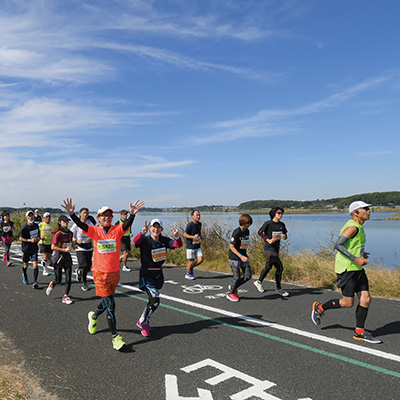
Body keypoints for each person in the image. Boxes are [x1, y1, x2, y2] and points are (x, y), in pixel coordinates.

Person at [61, 197, 144, 351]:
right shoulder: (94, 230)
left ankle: (93, 317)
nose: (106, 217)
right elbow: (80, 224)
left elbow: (126, 224)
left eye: (109, 215)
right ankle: (115, 337)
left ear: (112, 218)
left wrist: (132, 215)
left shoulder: (116, 231)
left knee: (106, 302)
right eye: (103, 215)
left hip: (114, 273)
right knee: (111, 304)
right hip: (100, 273)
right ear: (98, 218)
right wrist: (72, 214)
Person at [311, 201, 382, 344]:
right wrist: (355, 258)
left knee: (366, 299)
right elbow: (337, 245)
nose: (369, 211)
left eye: (369, 208)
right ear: (356, 212)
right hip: (347, 269)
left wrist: (361, 253)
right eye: (366, 209)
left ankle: (359, 332)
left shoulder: (360, 227)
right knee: (347, 303)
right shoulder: (352, 227)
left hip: (357, 269)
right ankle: (319, 308)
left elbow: (352, 245)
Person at [134, 219, 182, 337]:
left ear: (161, 229)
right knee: (155, 302)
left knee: (152, 302)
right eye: (153, 227)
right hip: (147, 274)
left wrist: (177, 236)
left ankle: (143, 320)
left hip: (158, 275)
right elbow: (136, 241)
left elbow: (177, 245)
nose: (155, 229)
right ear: (150, 228)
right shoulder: (145, 240)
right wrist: (142, 232)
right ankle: (144, 324)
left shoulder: (164, 240)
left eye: (158, 227)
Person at [254, 206, 289, 297]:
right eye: (279, 213)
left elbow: (285, 235)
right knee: (279, 267)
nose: (281, 215)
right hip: (269, 248)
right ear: (274, 214)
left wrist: (284, 236)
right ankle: (279, 288)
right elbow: (260, 232)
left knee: (270, 266)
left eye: (282, 213)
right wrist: (267, 239)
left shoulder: (282, 225)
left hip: (276, 248)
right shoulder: (268, 224)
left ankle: (259, 282)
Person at [46, 215, 74, 305]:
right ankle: (53, 283)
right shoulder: (58, 234)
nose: (66, 222)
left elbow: (70, 244)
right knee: (59, 280)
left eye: (67, 221)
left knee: (68, 278)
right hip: (58, 257)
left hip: (67, 257)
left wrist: (74, 246)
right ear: (60, 222)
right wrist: (64, 249)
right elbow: (53, 247)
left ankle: (65, 296)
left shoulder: (70, 233)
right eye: (64, 221)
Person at [226, 214, 253, 302]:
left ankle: (234, 286)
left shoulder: (247, 231)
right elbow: (231, 246)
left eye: (250, 223)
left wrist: (244, 255)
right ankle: (231, 293)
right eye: (247, 223)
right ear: (242, 222)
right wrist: (240, 256)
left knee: (248, 276)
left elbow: (244, 245)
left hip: (244, 256)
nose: (249, 225)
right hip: (235, 257)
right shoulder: (236, 232)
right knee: (237, 277)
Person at [71, 207, 93, 291]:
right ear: (80, 214)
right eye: (84, 213)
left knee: (88, 267)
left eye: (87, 213)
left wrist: (91, 238)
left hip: (88, 247)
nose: (86, 214)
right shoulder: (76, 225)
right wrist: (76, 240)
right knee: (84, 266)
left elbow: (94, 234)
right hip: (80, 249)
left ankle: (78, 272)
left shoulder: (90, 224)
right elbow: (71, 236)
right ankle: (84, 283)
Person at [19, 210, 40, 288]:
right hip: (26, 248)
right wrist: (29, 240)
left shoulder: (36, 226)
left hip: (34, 248)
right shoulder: (24, 228)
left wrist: (38, 238)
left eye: (32, 215)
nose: (31, 217)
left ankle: (35, 281)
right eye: (29, 216)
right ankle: (24, 274)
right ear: (26, 217)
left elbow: (39, 235)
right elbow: (20, 238)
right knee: (26, 264)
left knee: (35, 265)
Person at [183, 210, 203, 280]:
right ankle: (187, 274)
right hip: (190, 246)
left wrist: (201, 237)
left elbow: (198, 233)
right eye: (197, 215)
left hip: (197, 245)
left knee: (200, 260)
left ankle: (190, 268)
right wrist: (193, 237)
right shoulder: (190, 225)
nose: (198, 216)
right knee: (191, 261)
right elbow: (184, 234)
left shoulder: (200, 224)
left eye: (199, 215)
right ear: (192, 216)